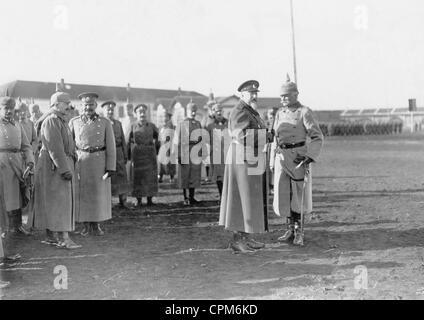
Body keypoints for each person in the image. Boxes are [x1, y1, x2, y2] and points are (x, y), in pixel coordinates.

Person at [270, 75, 323, 246]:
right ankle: (289, 229)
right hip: (281, 157)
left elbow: (317, 136)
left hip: (298, 158)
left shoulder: (304, 112)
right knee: (284, 193)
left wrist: (309, 156)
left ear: (296, 94)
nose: (283, 99)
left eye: (286, 95)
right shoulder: (279, 113)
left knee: (298, 195)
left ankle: (300, 232)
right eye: (281, 96)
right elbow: (274, 138)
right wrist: (272, 160)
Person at [219, 80, 268, 253]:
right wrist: (266, 136)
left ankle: (246, 237)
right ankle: (237, 240)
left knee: (249, 199)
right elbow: (243, 136)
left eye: (256, 93)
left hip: (250, 159)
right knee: (240, 200)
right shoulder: (239, 111)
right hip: (241, 159)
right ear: (242, 95)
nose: (255, 96)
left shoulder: (250, 111)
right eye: (251, 93)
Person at [32, 92, 81, 249]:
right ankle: (63, 238)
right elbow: (55, 149)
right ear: (56, 104)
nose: (69, 106)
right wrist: (65, 169)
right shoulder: (52, 120)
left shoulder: (60, 120)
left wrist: (73, 155)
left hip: (57, 165)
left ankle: (52, 236)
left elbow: (66, 144)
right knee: (60, 202)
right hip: (54, 167)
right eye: (66, 103)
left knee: (55, 202)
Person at [69, 92, 116, 236]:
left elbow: (111, 146)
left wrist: (111, 167)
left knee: (98, 194)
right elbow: (70, 146)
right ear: (81, 106)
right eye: (85, 104)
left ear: (95, 105)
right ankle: (85, 226)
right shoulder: (74, 122)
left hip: (99, 162)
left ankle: (96, 225)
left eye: (91, 104)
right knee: (83, 195)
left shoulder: (105, 122)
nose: (88, 107)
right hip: (81, 162)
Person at [0, 96, 34, 236]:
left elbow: (26, 146)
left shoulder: (18, 125)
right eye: (6, 108)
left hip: (17, 164)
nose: (9, 111)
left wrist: (30, 161)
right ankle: (3, 228)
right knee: (4, 196)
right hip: (2, 164)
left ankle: (17, 225)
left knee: (18, 195)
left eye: (11, 109)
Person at [102, 101, 132, 209]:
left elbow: (123, 140)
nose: (110, 111)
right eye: (108, 109)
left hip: (119, 152)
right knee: (108, 177)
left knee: (122, 176)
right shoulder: (101, 123)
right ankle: (107, 203)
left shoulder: (118, 123)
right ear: (103, 111)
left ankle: (123, 201)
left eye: (111, 110)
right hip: (107, 153)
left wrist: (124, 154)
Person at [173, 102, 203, 205]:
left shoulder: (198, 123)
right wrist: (178, 155)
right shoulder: (182, 124)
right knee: (185, 175)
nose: (193, 113)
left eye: (195, 111)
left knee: (194, 175)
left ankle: (192, 196)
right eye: (191, 111)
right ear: (187, 111)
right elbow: (177, 141)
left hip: (195, 152)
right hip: (185, 151)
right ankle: (186, 198)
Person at [129, 104, 159, 207]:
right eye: (139, 112)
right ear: (136, 114)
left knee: (150, 177)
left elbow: (157, 139)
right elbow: (128, 141)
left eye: (144, 112)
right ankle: (139, 199)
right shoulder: (133, 126)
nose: (142, 114)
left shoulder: (152, 126)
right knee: (139, 177)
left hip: (150, 154)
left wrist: (155, 151)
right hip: (138, 154)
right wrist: (129, 155)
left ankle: (150, 199)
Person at [206, 103, 229, 199]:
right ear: (214, 113)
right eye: (217, 111)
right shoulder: (210, 124)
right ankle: (222, 195)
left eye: (220, 111)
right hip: (215, 153)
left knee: (227, 174)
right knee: (218, 175)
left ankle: (227, 195)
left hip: (227, 152)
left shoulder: (228, 123)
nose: (219, 113)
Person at [158, 112, 176, 183]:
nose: (164, 119)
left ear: (169, 118)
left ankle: (172, 177)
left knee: (170, 162)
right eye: (163, 117)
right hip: (162, 147)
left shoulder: (171, 127)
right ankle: (160, 176)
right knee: (161, 162)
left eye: (166, 117)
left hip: (169, 147)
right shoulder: (161, 127)